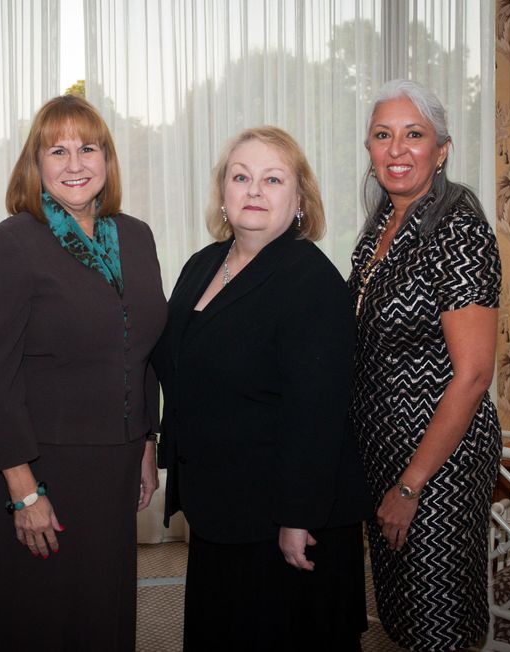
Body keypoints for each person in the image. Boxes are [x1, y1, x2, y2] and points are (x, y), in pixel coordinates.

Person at [152, 126, 373, 650]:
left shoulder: (311, 282)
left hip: (285, 520)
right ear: (223, 193)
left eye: (272, 179)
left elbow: (317, 414)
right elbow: (179, 369)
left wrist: (297, 517)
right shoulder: (204, 264)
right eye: (241, 177)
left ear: (299, 200)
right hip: (223, 509)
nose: (254, 190)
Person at [0, 94, 167, 651]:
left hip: (115, 466)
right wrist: (24, 491)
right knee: (41, 621)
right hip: (39, 467)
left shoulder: (136, 236)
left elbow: (141, 349)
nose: (75, 163)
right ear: (36, 164)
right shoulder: (9, 245)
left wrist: (146, 445)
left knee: (102, 617)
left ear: (107, 159)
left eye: (88, 147)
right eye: (58, 150)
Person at [349, 79, 502, 651]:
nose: (397, 150)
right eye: (383, 135)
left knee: (438, 615)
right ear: (368, 147)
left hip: (439, 461)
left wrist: (411, 486)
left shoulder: (458, 229)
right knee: (403, 611)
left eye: (414, 135)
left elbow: (473, 375)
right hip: (387, 449)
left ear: (442, 150)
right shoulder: (382, 227)